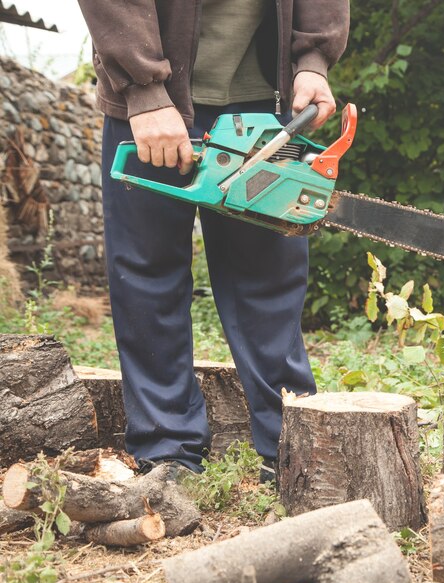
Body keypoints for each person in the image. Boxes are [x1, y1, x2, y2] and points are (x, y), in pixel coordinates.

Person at [77, 0, 350, 479]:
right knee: (148, 274)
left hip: (266, 101)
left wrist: (311, 62)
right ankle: (168, 450)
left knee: (268, 280)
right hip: (154, 105)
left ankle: (290, 446)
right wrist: (144, 89)